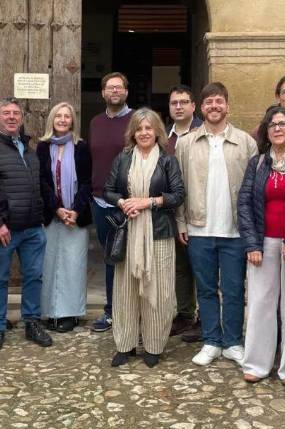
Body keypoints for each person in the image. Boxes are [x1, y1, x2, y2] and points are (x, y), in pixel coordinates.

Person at [175, 82, 259, 367]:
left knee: (234, 290)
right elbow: (179, 186)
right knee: (206, 288)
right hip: (199, 228)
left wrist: (252, 230)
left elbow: (254, 190)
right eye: (209, 101)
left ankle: (233, 342)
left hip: (235, 230)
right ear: (201, 108)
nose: (214, 106)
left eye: (219, 101)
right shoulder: (186, 143)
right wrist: (181, 222)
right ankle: (211, 341)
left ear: (227, 106)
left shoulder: (246, 142)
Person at [0, 97, 52, 352]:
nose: (12, 117)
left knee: (34, 277)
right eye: (6, 113)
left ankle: (32, 322)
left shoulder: (30, 151)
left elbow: (38, 187)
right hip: (3, 231)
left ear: (21, 119)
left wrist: (41, 219)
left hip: (33, 229)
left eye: (16, 113)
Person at [103, 107, 185, 368]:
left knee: (158, 292)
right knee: (125, 292)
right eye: (139, 128)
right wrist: (123, 202)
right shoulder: (123, 158)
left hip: (158, 233)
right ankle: (125, 345)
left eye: (149, 128)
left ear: (157, 131)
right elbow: (108, 191)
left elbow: (178, 195)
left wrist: (149, 202)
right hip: (128, 232)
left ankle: (153, 346)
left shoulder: (167, 161)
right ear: (133, 133)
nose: (144, 132)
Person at [237, 105, 285, 386]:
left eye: (283, 124)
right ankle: (256, 363)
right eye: (272, 125)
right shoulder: (258, 163)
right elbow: (244, 203)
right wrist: (252, 244)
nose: (278, 128)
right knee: (260, 303)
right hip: (262, 244)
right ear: (266, 131)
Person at [37, 102, 92, 332]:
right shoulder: (42, 147)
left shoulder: (81, 146)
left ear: (72, 121)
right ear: (52, 119)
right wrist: (57, 209)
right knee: (49, 264)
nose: (62, 120)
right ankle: (50, 312)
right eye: (58, 116)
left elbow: (87, 182)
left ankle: (71, 313)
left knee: (73, 265)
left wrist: (75, 210)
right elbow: (42, 182)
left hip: (76, 217)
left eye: (66, 116)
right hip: (52, 215)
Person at [89, 72, 133, 332]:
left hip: (130, 202)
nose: (114, 91)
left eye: (119, 87)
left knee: (134, 258)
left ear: (126, 92)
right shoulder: (95, 122)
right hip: (100, 201)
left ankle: (134, 313)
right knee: (110, 257)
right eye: (110, 87)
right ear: (103, 93)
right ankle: (111, 311)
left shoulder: (137, 120)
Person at [165, 84, 203, 341]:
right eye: (174, 103)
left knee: (202, 266)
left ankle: (206, 318)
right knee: (180, 267)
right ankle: (185, 314)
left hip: (199, 209)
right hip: (171, 211)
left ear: (193, 106)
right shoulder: (163, 137)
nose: (178, 107)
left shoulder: (203, 132)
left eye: (183, 102)